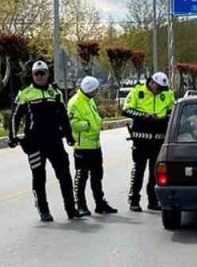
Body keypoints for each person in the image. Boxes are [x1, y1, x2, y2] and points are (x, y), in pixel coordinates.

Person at [10, 61, 81, 222]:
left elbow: (63, 116)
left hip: (55, 141)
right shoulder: (25, 93)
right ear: (32, 75)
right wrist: (12, 137)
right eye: (37, 73)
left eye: (43, 73)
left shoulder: (55, 93)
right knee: (39, 176)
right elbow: (15, 117)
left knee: (64, 175)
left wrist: (69, 135)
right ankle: (43, 209)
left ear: (48, 74)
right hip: (34, 143)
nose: (40, 76)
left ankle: (71, 209)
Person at [122, 72, 174, 212]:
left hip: (158, 139)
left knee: (154, 173)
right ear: (152, 83)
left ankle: (153, 200)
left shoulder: (167, 94)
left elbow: (172, 111)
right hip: (141, 138)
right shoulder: (137, 91)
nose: (161, 91)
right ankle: (134, 200)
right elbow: (126, 110)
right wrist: (144, 116)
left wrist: (163, 118)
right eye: (159, 87)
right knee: (138, 170)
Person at [68, 76, 116, 216]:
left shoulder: (89, 100)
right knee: (81, 177)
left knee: (97, 176)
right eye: (96, 90)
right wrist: (88, 125)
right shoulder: (75, 102)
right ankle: (81, 205)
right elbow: (72, 123)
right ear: (90, 90)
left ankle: (100, 203)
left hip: (95, 145)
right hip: (82, 147)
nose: (97, 92)